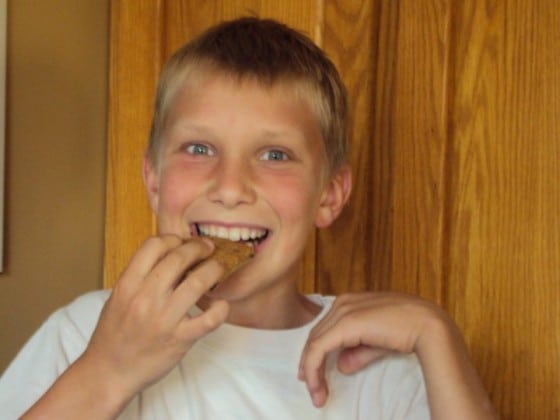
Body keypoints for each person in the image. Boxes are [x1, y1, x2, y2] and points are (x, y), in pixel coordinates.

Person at [0, 17, 496, 419]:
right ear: (153, 179)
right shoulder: (89, 332)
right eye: (199, 148)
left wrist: (436, 333)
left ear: (328, 195)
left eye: (274, 155)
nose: (231, 187)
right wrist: (108, 370)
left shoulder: (377, 365)